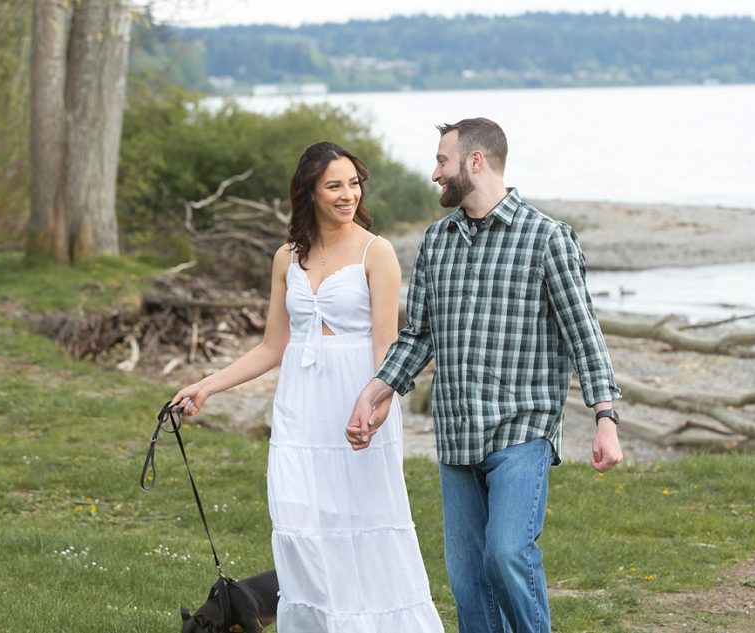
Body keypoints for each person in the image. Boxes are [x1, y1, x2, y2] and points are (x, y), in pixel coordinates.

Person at [346, 118, 623, 633]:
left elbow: (584, 333)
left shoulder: (547, 239)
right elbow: (418, 335)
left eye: (442, 161)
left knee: (507, 555)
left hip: (522, 429)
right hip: (456, 434)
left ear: (476, 162)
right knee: (468, 582)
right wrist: (376, 390)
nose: (434, 174)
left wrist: (604, 416)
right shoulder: (437, 242)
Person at [172, 141, 444, 632]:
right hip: (299, 407)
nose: (348, 195)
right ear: (310, 191)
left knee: (359, 531)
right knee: (299, 530)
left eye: (354, 183)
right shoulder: (287, 257)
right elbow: (272, 347)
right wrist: (208, 386)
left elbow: (386, 346)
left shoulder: (376, 252)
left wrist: (379, 404)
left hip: (357, 403)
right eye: (334, 185)